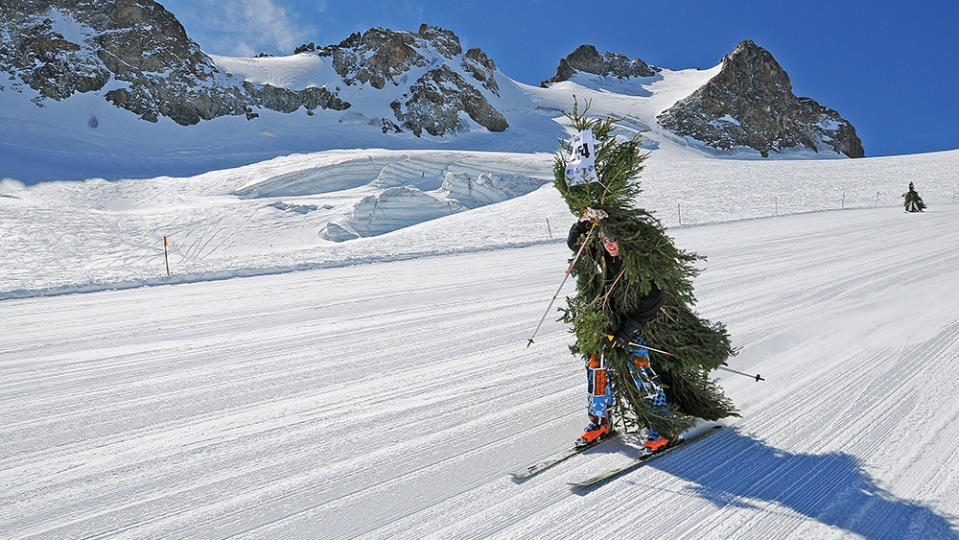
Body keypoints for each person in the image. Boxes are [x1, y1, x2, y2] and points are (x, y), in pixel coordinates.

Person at [567, 217, 670, 451]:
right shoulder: (602, 254)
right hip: (605, 323)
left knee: (641, 370)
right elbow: (575, 243)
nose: (610, 244)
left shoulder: (640, 261)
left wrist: (631, 327)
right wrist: (585, 221)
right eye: (604, 239)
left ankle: (663, 428)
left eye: (614, 239)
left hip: (634, 324)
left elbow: (656, 295)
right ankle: (600, 422)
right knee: (596, 367)